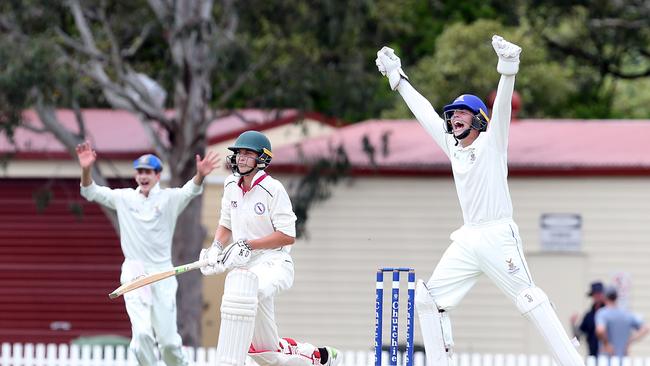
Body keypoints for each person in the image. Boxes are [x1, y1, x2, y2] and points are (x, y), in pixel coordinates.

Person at [375, 35, 585, 366]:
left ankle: (573, 362)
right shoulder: (453, 150)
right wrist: (398, 79)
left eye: (462, 113)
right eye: (452, 114)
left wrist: (507, 69)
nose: (454, 118)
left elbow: (502, 110)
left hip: (498, 234)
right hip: (468, 237)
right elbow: (426, 114)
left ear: (478, 120)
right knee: (428, 299)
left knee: (528, 298)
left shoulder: (492, 143)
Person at [199, 130, 340, 366]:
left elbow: (287, 236)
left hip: (274, 263)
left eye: (247, 154)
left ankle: (231, 361)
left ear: (262, 159)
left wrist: (248, 244)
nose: (241, 158)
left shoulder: (273, 189)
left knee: (243, 292)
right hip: (246, 264)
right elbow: (225, 223)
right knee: (267, 356)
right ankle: (314, 355)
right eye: (238, 153)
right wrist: (215, 248)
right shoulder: (231, 184)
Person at [76, 141, 220, 366]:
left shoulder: (169, 199)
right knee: (141, 335)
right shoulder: (124, 198)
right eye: (139, 171)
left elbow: (190, 190)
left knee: (169, 343)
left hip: (162, 272)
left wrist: (200, 175)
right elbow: (90, 191)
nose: (143, 176)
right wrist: (86, 169)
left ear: (158, 175)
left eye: (148, 172)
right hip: (135, 273)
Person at [595, 286, 649, 358]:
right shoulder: (626, 313)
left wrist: (606, 344)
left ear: (605, 297)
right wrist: (630, 340)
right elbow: (646, 328)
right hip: (623, 359)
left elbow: (600, 330)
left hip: (607, 358)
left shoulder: (602, 313)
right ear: (616, 297)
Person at [571, 281, 606, 357]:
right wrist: (573, 324)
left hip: (608, 356)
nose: (597, 296)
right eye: (595, 294)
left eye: (599, 294)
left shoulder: (609, 313)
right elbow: (578, 335)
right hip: (592, 355)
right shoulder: (589, 315)